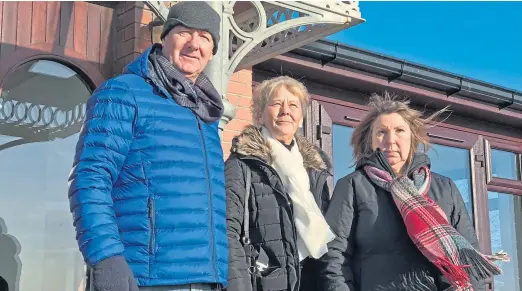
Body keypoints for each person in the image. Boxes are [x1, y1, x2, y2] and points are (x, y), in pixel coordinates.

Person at [68, 2, 228, 291]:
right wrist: (107, 258)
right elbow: (91, 177)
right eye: (185, 33)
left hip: (206, 280)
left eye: (205, 38)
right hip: (146, 278)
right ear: (165, 37)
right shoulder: (125, 92)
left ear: (212, 51)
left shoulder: (206, 114)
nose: (195, 44)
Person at [317, 93, 508, 291]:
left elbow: (468, 256)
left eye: (399, 130)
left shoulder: (445, 188)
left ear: (412, 138)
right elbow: (334, 256)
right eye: (381, 132)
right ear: (370, 140)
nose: (390, 141)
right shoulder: (353, 187)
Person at [225, 76, 335, 291]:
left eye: (293, 105)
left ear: (301, 117)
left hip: (312, 280)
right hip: (265, 283)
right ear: (260, 114)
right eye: (276, 104)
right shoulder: (242, 165)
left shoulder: (313, 171)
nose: (286, 111)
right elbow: (229, 233)